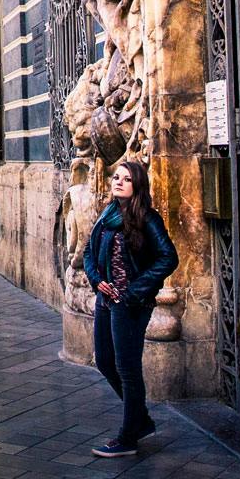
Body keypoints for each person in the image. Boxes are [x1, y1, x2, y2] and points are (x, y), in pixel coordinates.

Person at [81, 158, 178, 457]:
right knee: (105, 362)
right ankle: (140, 420)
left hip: (131, 304)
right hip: (106, 300)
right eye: (116, 177)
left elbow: (168, 257)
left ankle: (128, 437)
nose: (118, 181)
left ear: (137, 185)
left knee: (127, 368)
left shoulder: (148, 218)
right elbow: (88, 252)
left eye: (126, 179)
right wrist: (97, 280)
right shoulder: (107, 214)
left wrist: (134, 291)